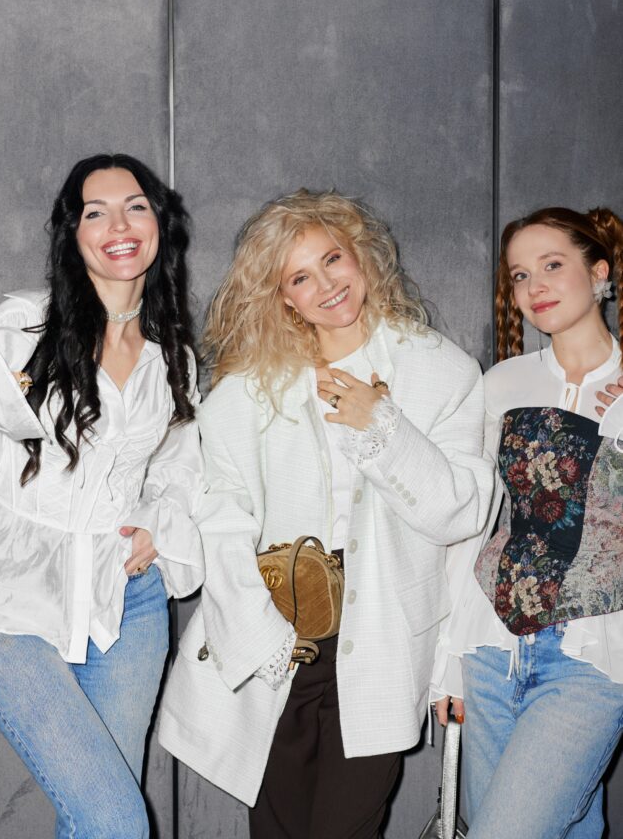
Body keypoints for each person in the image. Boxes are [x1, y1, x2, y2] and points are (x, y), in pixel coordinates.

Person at [159, 189, 493, 839]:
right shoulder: (251, 387)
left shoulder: (440, 371)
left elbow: (462, 513)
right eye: (300, 277)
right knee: (277, 830)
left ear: (360, 254)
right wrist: (257, 633)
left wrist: (382, 425)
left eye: (332, 258)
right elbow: (219, 513)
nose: (326, 285)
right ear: (284, 297)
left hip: (382, 636)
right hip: (279, 636)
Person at [0, 154, 205, 839]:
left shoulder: (172, 355)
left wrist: (157, 522)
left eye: (136, 207)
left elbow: (179, 469)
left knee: (91, 820)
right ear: (73, 233)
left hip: (126, 602)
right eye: (96, 212)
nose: (119, 225)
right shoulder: (21, 327)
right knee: (115, 821)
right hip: (7, 594)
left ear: (160, 223)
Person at [432, 206, 623, 839]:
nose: (534, 286)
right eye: (519, 275)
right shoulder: (502, 383)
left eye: (552, 265)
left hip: (593, 659)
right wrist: (448, 662)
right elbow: (475, 525)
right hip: (492, 651)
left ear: (600, 273)